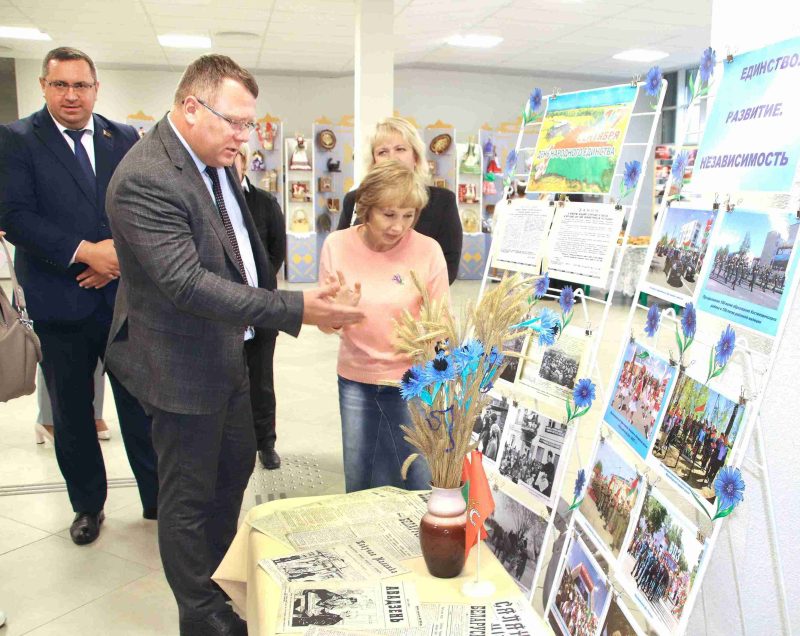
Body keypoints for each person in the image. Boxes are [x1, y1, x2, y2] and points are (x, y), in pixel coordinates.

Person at [103, 54, 363, 636]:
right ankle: (201, 615)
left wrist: (285, 300)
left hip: (229, 352)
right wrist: (296, 308)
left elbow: (240, 248)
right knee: (189, 498)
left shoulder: (214, 159)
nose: (246, 136)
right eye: (236, 122)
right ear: (191, 107)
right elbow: (187, 283)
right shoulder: (147, 176)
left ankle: (215, 582)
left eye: (251, 124)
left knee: (231, 473)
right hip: (180, 361)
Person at [0, 47, 159, 545]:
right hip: (59, 303)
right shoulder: (16, 140)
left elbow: (142, 208)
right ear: (44, 87)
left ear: (96, 88)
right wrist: (86, 252)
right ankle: (88, 506)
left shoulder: (123, 138)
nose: (72, 95)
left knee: (142, 406)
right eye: (61, 85)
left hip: (122, 302)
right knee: (72, 415)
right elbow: (14, 216)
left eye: (81, 85)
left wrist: (117, 260)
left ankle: (158, 501)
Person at [319, 159, 449, 492]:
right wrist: (337, 313)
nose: (398, 227)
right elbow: (326, 325)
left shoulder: (428, 251)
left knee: (417, 480)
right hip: (356, 381)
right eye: (388, 215)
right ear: (366, 208)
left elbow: (442, 323)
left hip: (413, 382)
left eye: (408, 215)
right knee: (361, 480)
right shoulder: (337, 245)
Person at [335, 116, 462, 284]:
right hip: (361, 295)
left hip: (419, 298)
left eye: (400, 149)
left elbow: (447, 268)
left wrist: (399, 292)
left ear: (415, 157)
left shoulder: (442, 201)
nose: (392, 158)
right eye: (382, 152)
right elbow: (340, 255)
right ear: (374, 162)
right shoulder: (355, 199)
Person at [233, 142, 286, 470]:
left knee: (261, 380)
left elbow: (277, 250)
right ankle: (233, 445)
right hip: (220, 309)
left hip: (261, 307)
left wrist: (257, 287)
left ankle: (265, 442)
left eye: (237, 156)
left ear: (245, 161)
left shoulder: (265, 202)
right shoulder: (205, 198)